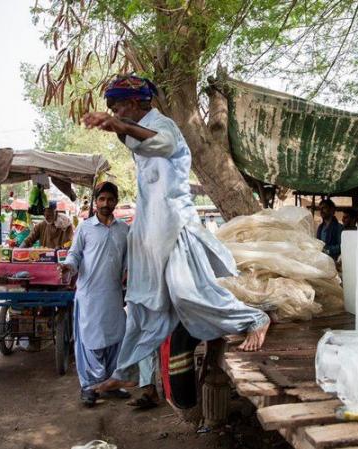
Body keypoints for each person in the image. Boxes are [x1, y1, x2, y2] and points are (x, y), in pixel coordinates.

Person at [81, 74, 270, 396]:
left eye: (118, 106)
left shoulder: (165, 126)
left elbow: (164, 144)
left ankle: (255, 317)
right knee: (141, 304)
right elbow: (135, 140)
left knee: (185, 293)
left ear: (138, 102)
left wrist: (121, 126)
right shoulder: (136, 134)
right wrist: (119, 127)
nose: (115, 112)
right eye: (112, 107)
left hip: (175, 226)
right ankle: (126, 370)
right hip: (149, 230)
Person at [60, 182, 156, 407]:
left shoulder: (124, 229)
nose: (105, 204)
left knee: (116, 339)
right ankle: (89, 387)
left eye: (110, 200)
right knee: (90, 342)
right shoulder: (85, 228)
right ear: (95, 201)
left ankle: (111, 383)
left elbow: (129, 262)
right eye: (101, 199)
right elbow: (74, 255)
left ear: (115, 202)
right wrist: (68, 267)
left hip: (113, 295)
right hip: (89, 295)